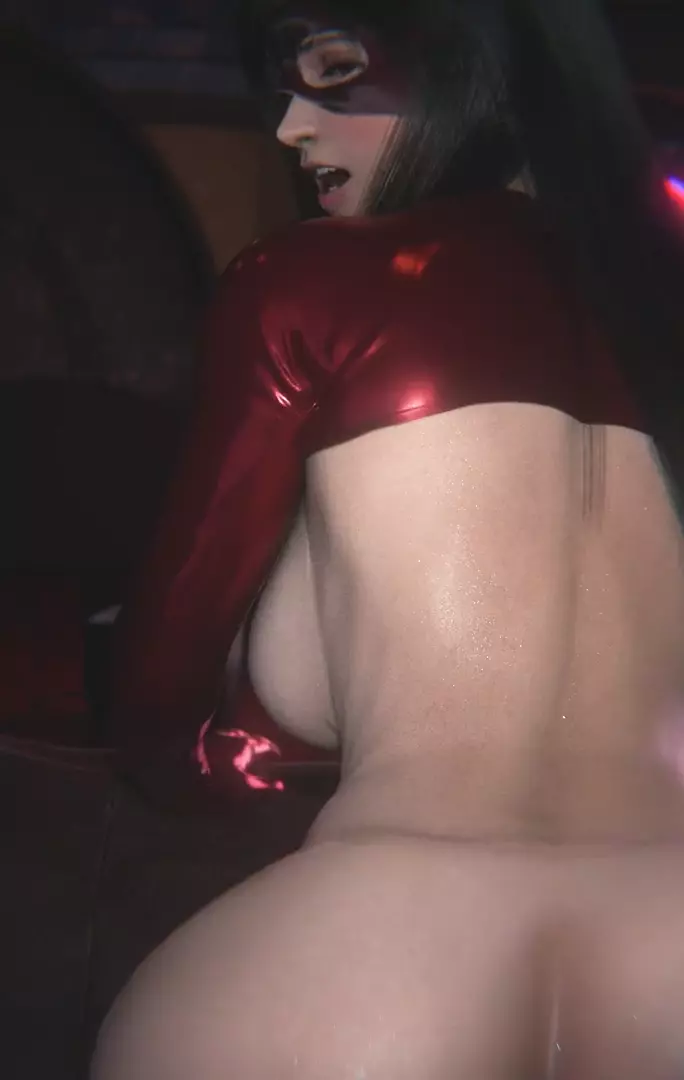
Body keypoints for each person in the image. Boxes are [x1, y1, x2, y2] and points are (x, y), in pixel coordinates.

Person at [93, 0, 684, 1075]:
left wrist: (237, 753)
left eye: (332, 71)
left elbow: (155, 698)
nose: (289, 127)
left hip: (370, 955)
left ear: (472, 58)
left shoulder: (308, 281)